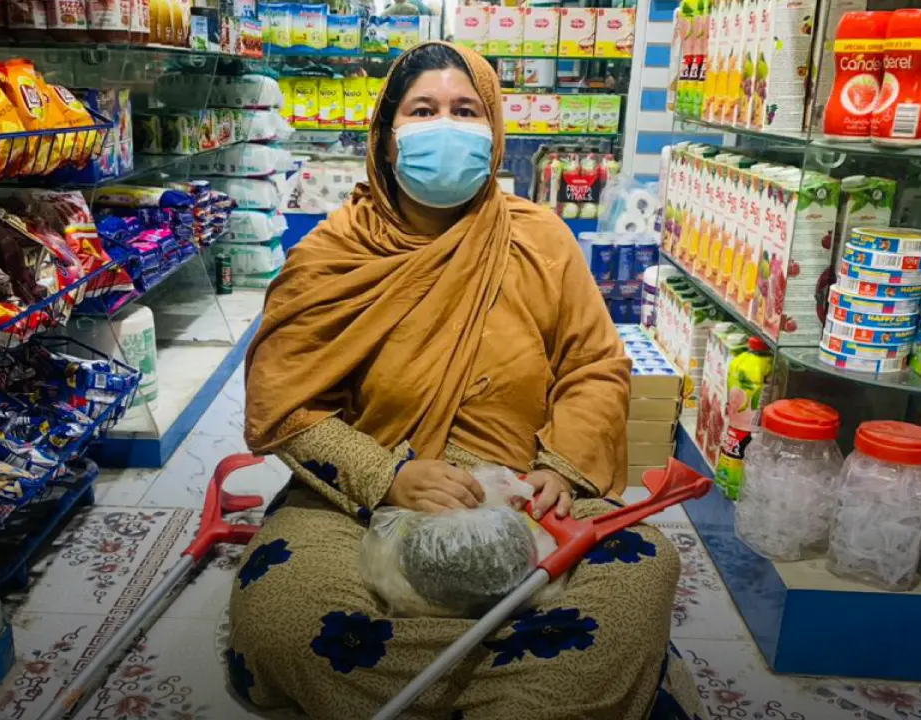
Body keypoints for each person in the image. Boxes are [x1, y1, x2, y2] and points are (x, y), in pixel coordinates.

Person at [227, 41, 706, 720]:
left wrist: (558, 471)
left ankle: (432, 688)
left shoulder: (541, 240)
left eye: (465, 110)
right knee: (282, 617)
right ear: (387, 139)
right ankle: (533, 690)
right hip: (367, 496)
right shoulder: (331, 255)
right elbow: (287, 407)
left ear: (495, 133)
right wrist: (388, 475)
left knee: (645, 569)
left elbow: (595, 367)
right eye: (423, 111)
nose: (445, 126)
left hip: (520, 488)